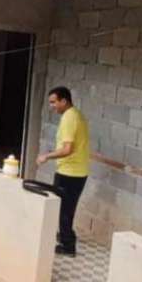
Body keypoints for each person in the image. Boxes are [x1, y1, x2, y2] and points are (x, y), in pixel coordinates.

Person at [36, 86, 90, 257]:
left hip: (70, 172)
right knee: (67, 208)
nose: (52, 106)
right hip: (76, 170)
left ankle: (68, 246)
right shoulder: (76, 114)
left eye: (54, 102)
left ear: (64, 101)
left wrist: (46, 156)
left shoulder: (68, 118)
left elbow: (67, 149)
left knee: (64, 210)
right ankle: (67, 237)